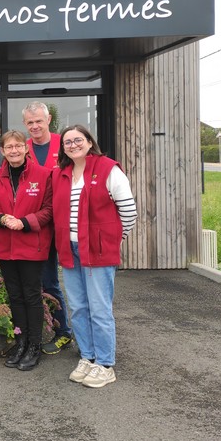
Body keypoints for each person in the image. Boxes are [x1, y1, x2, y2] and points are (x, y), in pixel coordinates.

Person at [51, 125, 137, 388]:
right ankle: (88, 357)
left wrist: (111, 241)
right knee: (78, 307)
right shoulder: (61, 174)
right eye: (67, 142)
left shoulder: (108, 169)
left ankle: (105, 363)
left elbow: (129, 213)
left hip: (98, 251)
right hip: (70, 250)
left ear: (89, 142)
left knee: (99, 309)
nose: (73, 145)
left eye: (78, 140)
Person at [0, 130, 53, 371]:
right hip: (5, 245)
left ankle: (34, 345)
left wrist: (24, 222)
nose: (14, 150)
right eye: (8, 147)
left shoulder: (43, 175)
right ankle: (21, 341)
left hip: (31, 244)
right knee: (14, 295)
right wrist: (1, 218)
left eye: (18, 146)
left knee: (32, 296)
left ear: (26, 148)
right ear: (2, 151)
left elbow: (49, 210)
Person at [22, 101, 73, 355]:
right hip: (33, 225)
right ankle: (43, 327)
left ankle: (64, 332)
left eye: (38, 121)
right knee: (36, 281)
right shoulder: (23, 147)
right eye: (30, 122)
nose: (34, 126)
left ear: (48, 119)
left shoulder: (64, 143)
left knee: (53, 281)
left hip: (61, 224)